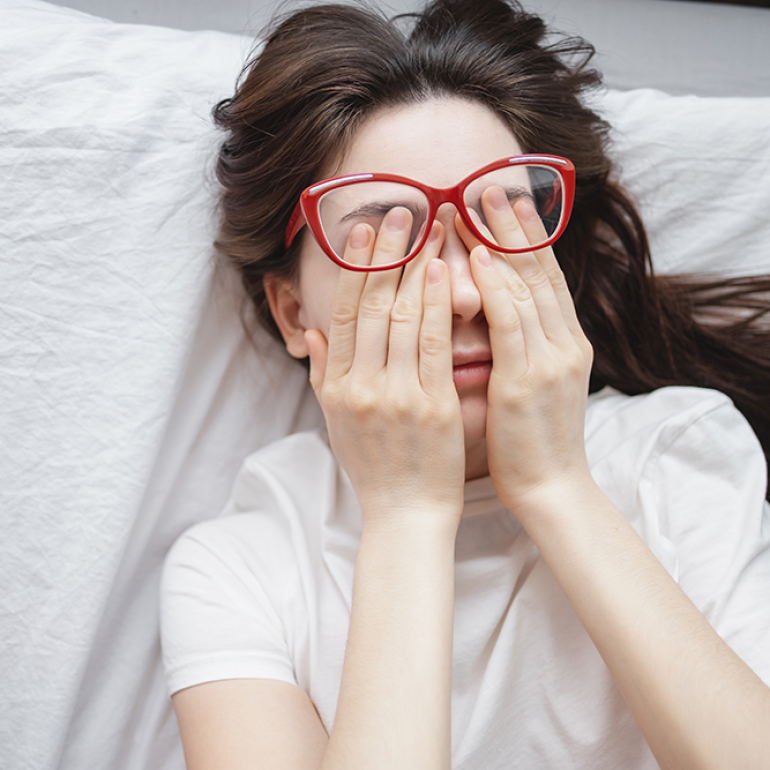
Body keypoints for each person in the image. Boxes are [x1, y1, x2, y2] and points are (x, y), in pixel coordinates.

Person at [159, 1, 770, 768]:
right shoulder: (240, 566)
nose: (462, 294)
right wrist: (406, 512)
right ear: (291, 312)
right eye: (383, 233)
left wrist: (556, 484)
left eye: (502, 218)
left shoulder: (679, 455)